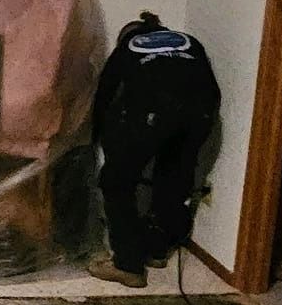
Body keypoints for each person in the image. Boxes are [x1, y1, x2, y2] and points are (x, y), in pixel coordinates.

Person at [88, 15, 219, 289]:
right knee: (172, 177)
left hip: (154, 113)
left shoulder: (129, 47)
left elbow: (105, 94)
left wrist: (93, 138)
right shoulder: (189, 43)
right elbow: (206, 83)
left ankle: (127, 265)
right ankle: (157, 251)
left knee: (116, 182)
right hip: (202, 113)